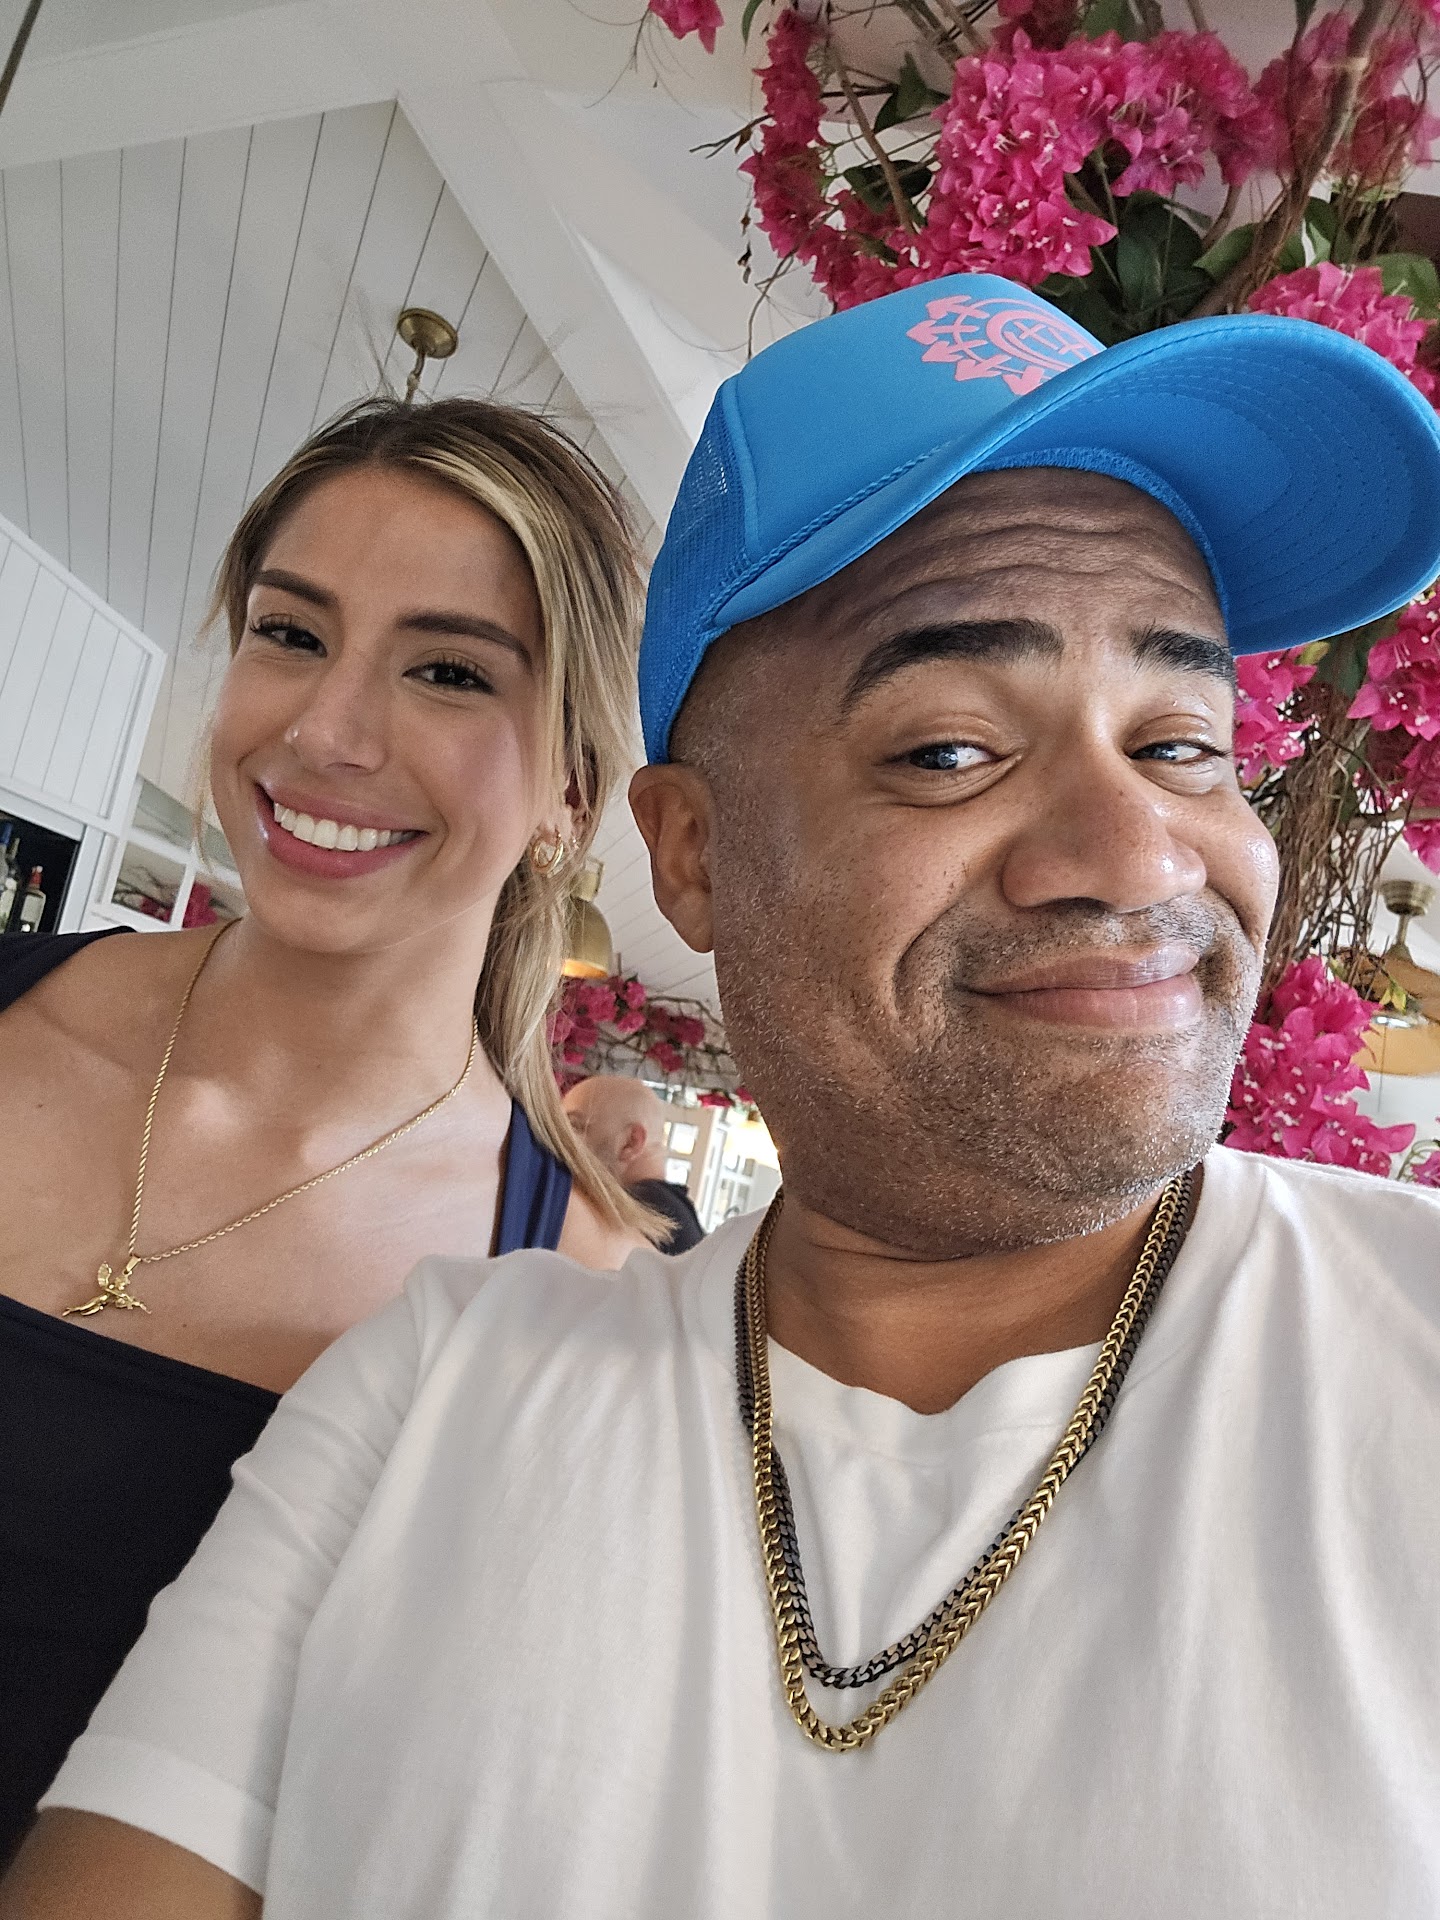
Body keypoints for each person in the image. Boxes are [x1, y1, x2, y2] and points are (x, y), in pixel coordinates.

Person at [9, 273, 1440, 1919]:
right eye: (950, 748)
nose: (1138, 855)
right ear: (690, 854)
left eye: (1184, 743)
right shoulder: (437, 1384)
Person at [0, 394, 650, 1864]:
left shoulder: (572, 1297)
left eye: (447, 671)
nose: (324, 731)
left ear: (570, 793)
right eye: (290, 634)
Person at [562, 1074, 705, 1252]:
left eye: (574, 1127)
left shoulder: (639, 1211)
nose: (559, 1142)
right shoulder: (671, 1212)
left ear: (631, 1142)